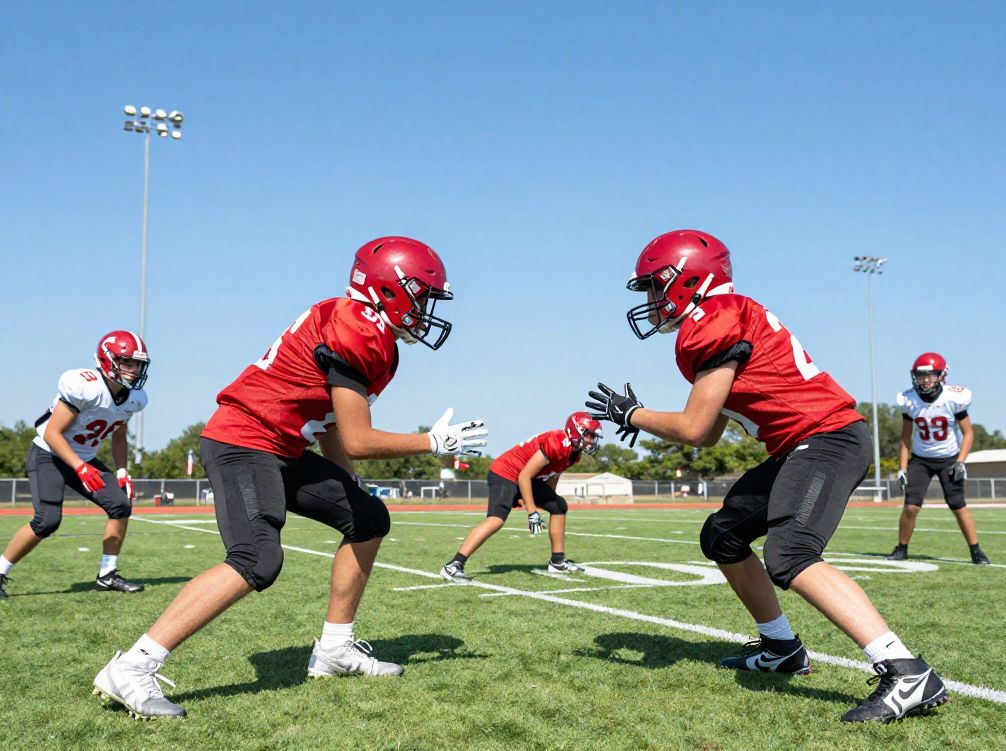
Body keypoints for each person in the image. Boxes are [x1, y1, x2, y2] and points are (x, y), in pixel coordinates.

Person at [93, 237, 487, 719]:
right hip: (243, 439)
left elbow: (332, 426)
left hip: (282, 445)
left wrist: (347, 481)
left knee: (367, 518)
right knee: (257, 557)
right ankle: (132, 667)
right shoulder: (357, 328)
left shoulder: (363, 327)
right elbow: (361, 437)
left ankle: (335, 649)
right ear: (391, 288)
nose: (425, 311)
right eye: (422, 297)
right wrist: (432, 443)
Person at [586, 229, 947, 724]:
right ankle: (782, 648)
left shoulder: (713, 321)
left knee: (791, 554)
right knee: (724, 534)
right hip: (799, 444)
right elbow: (710, 433)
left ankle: (905, 670)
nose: (651, 299)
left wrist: (633, 415)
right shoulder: (724, 315)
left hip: (826, 437)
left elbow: (692, 429)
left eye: (655, 285)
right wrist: (645, 417)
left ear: (689, 278)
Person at [0, 331, 149, 600]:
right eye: (127, 362)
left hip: (85, 458)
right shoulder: (84, 386)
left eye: (138, 364)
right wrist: (80, 467)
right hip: (49, 454)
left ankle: (107, 575)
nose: (134, 370)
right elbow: (52, 434)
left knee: (121, 505)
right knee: (47, 521)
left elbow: (119, 436)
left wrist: (122, 472)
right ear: (108, 360)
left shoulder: (135, 399)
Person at [440, 412, 602, 582]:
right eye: (589, 435)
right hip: (506, 472)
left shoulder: (574, 453)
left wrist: (548, 499)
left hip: (526, 477)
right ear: (575, 430)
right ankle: (453, 565)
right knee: (496, 520)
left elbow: (553, 475)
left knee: (559, 506)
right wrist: (532, 512)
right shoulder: (556, 441)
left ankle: (557, 562)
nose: (591, 440)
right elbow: (524, 476)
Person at [888, 353, 988, 564]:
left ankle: (976, 550)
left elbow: (968, 433)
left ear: (941, 376)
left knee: (958, 505)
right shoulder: (909, 400)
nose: (924, 380)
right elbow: (905, 437)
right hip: (921, 459)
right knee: (911, 506)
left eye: (929, 375)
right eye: (920, 376)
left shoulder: (953, 398)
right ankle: (901, 548)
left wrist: (961, 461)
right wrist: (902, 468)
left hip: (948, 458)